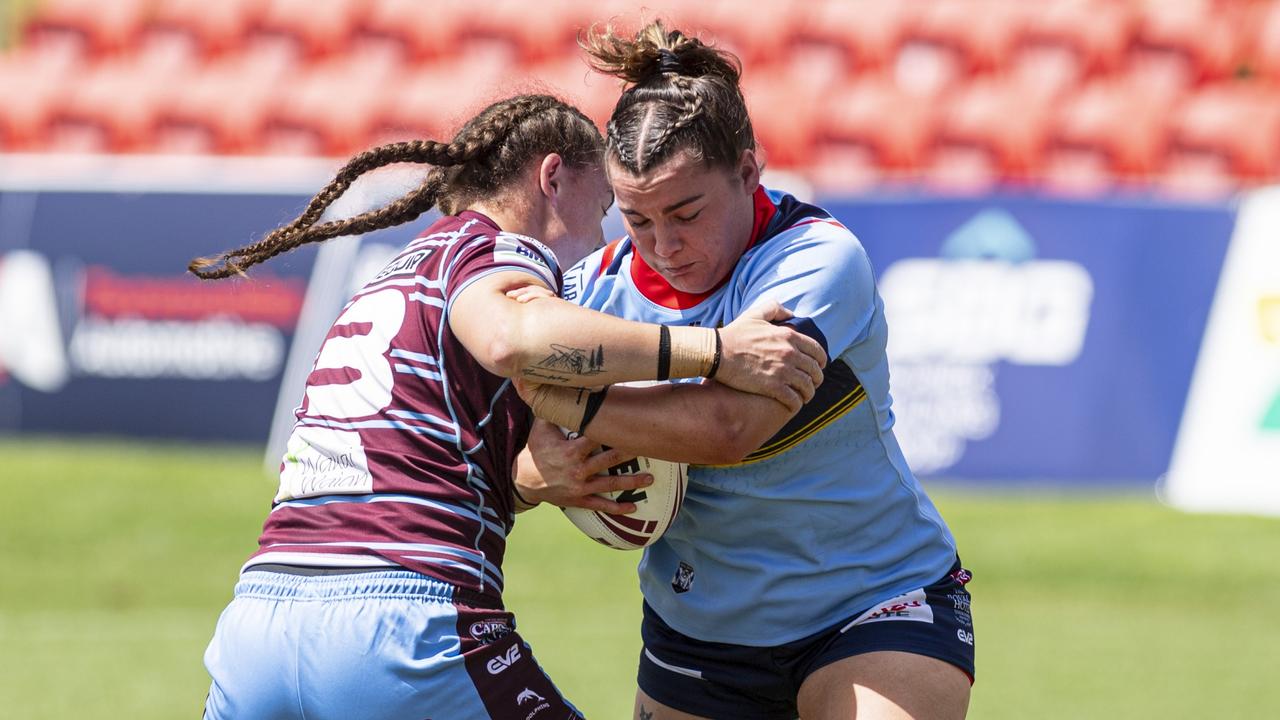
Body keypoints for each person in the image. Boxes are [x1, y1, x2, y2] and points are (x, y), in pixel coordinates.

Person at [192, 93, 827, 720]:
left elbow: (419, 458)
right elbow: (512, 339)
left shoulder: (393, 276)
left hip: (258, 624)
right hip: (399, 627)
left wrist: (527, 481)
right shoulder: (494, 250)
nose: (604, 241)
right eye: (604, 209)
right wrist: (715, 350)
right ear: (553, 178)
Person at [514, 23, 975, 720]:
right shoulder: (593, 295)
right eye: (636, 219)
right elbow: (496, 467)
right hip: (698, 635)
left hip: (877, 601)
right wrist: (539, 473)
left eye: (686, 213)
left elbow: (729, 428)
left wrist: (563, 399)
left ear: (749, 173)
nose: (665, 245)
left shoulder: (814, 261)